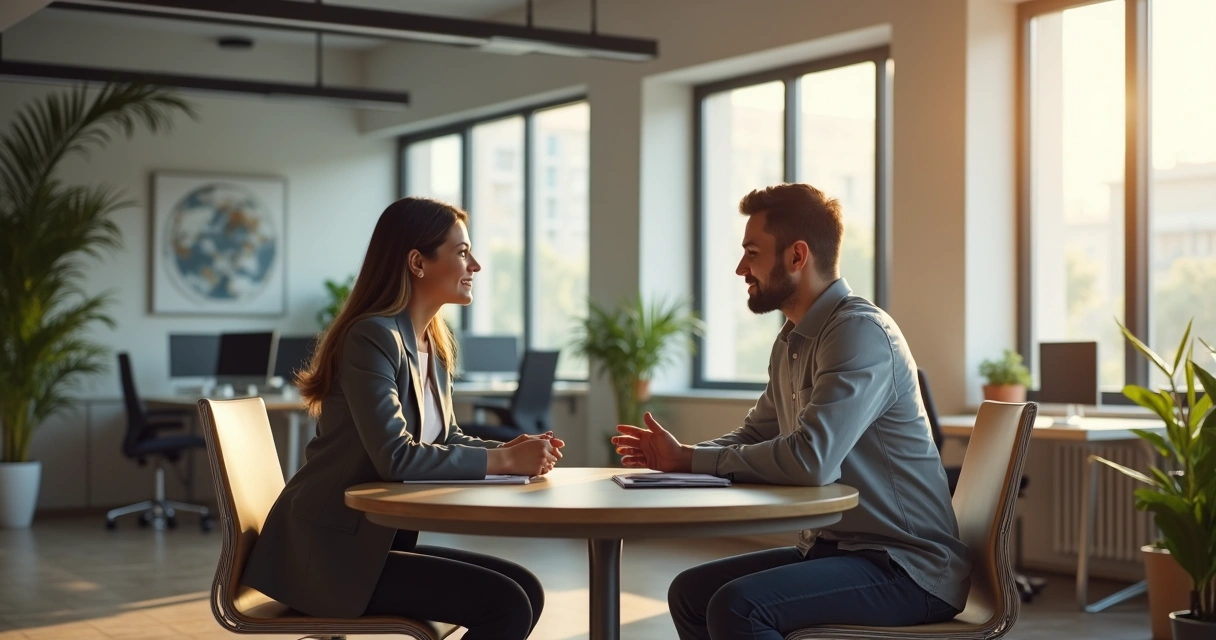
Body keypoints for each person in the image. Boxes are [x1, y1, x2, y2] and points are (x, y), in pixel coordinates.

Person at [612, 183, 970, 640]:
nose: (741, 268)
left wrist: (690, 460)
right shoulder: (793, 340)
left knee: (738, 608)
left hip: (907, 565)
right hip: (838, 550)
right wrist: (682, 456)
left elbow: (811, 461)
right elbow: (753, 434)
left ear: (797, 257)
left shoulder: (858, 332)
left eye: (752, 252)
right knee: (691, 592)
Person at [242, 197, 562, 640]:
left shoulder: (433, 343)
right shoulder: (372, 336)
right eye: (463, 252)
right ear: (417, 262)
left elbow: (445, 437)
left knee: (525, 590)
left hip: (371, 545)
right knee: (505, 603)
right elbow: (396, 457)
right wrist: (506, 464)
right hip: (330, 554)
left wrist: (508, 450)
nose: (477, 266)